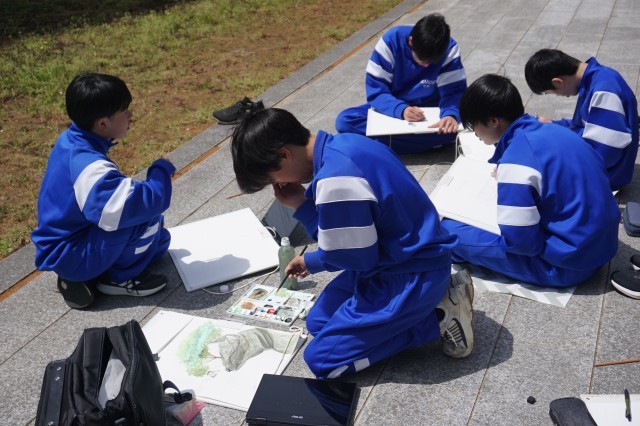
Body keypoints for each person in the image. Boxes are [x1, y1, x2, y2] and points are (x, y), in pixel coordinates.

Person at [231, 108, 474, 379]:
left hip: (409, 275)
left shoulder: (335, 180)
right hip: (399, 258)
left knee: (323, 361)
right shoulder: (348, 143)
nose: (277, 184)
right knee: (318, 323)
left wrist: (302, 208)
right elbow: (356, 243)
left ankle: (437, 318)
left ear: (284, 155)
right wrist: (312, 257)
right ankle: (419, 309)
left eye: (271, 178)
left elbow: (357, 259)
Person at [441, 74, 620, 288]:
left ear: (493, 121)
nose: (474, 132)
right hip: (601, 248)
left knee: (448, 230)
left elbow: (523, 244)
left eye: (473, 124)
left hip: (567, 266)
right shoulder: (555, 131)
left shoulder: (516, 160)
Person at [31, 73, 176, 309]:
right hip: (70, 253)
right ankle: (118, 280)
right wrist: (161, 170)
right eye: (124, 111)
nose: (130, 115)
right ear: (102, 124)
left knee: (159, 242)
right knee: (145, 219)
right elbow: (141, 203)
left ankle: (91, 275)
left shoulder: (72, 140)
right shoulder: (88, 165)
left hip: (71, 241)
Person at [334, 13, 467, 154]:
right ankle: (424, 143)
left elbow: (455, 92)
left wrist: (450, 115)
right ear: (411, 41)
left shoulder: (449, 48)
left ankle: (379, 143)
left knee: (453, 129)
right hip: (392, 104)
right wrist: (401, 110)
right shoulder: (391, 41)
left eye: (432, 61)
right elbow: (377, 91)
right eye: (421, 59)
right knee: (344, 121)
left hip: (430, 110)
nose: (426, 66)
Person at [525, 49, 639, 190]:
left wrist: (556, 143)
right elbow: (586, 126)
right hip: (600, 166)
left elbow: (604, 154)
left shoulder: (604, 91)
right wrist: (552, 125)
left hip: (604, 178)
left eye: (552, 92)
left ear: (558, 82)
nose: (559, 96)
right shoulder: (596, 78)